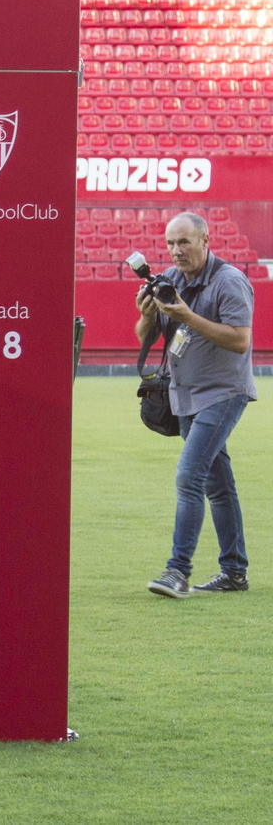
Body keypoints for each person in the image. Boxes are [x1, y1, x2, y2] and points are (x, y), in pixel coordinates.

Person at [137, 211, 257, 598]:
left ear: (205, 241)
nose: (176, 251)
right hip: (185, 395)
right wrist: (146, 315)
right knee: (218, 486)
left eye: (184, 242)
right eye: (171, 243)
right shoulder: (169, 281)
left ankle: (177, 570)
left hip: (224, 392)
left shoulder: (230, 281)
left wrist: (187, 315)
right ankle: (234, 572)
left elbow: (240, 340)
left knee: (189, 476)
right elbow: (146, 335)